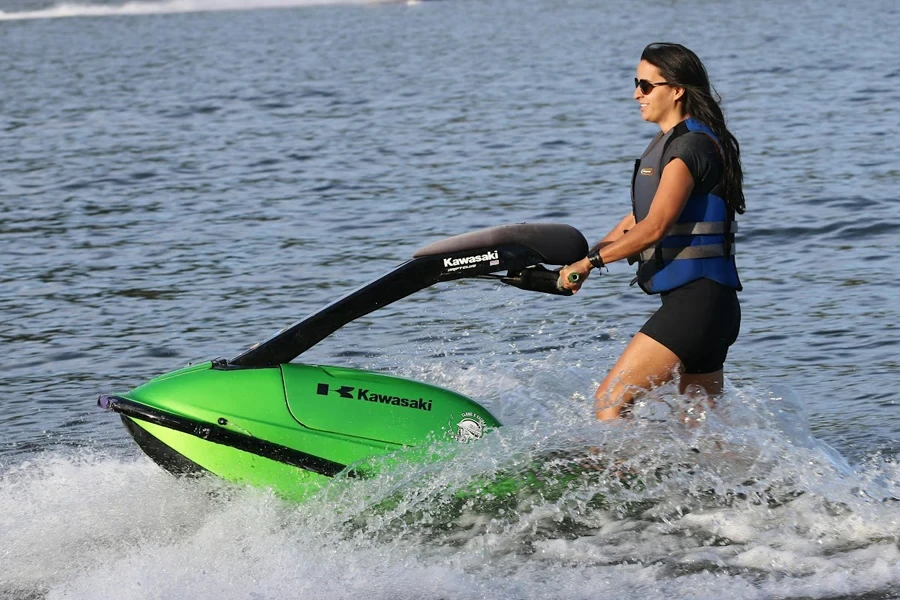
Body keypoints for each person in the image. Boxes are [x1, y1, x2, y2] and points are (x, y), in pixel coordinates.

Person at [560, 43, 744, 420]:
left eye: (646, 85)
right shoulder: (679, 142)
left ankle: (618, 479)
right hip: (713, 306)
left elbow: (655, 228)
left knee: (609, 404)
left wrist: (589, 263)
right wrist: (588, 259)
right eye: (636, 83)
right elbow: (637, 218)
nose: (636, 94)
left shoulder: (689, 147)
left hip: (695, 305)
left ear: (676, 90)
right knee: (703, 435)